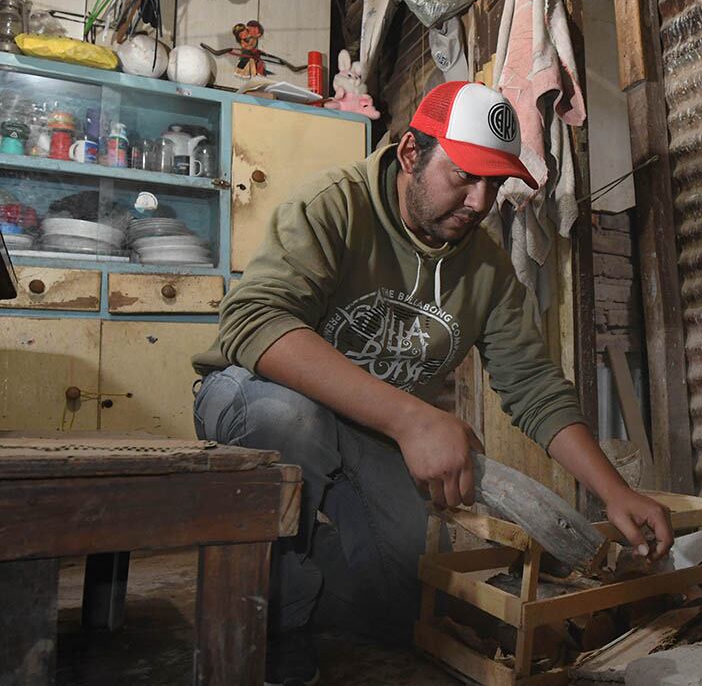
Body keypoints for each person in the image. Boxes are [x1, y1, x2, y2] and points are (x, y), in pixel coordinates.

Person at [191, 81, 673, 686]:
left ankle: (290, 577)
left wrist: (613, 492)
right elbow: (253, 321)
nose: (478, 201)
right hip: (248, 400)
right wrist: (414, 419)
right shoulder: (335, 205)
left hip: (365, 427)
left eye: (494, 183)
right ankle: (269, 624)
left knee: (404, 603)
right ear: (411, 154)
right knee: (292, 421)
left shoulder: (487, 268)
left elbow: (533, 385)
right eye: (465, 175)